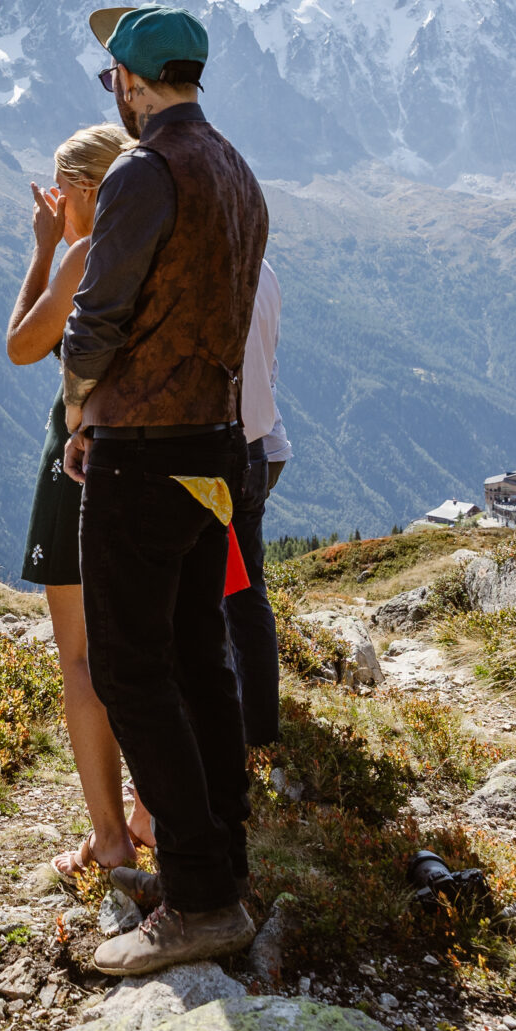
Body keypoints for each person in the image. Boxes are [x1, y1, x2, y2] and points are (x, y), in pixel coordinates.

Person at [61, 3, 269, 977]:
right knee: (197, 659)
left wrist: (78, 408)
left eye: (112, 77)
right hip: (217, 447)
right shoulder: (234, 167)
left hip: (142, 448)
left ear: (127, 82)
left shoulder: (144, 171)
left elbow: (99, 315)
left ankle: (194, 896)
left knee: (127, 667)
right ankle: (217, 862)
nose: (113, 90)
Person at [6, 124, 142, 879]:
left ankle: (109, 836)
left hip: (80, 458)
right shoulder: (155, 246)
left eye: (61, 187)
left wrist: (42, 247)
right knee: (147, 643)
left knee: (82, 656)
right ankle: (149, 814)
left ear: (86, 190)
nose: (54, 200)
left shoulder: (87, 252)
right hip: (151, 454)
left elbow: (24, 344)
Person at [227, 258, 289, 750]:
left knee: (205, 597)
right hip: (255, 449)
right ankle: (260, 729)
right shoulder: (263, 270)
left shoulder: (210, 262)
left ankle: (224, 727)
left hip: (214, 450)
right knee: (246, 592)